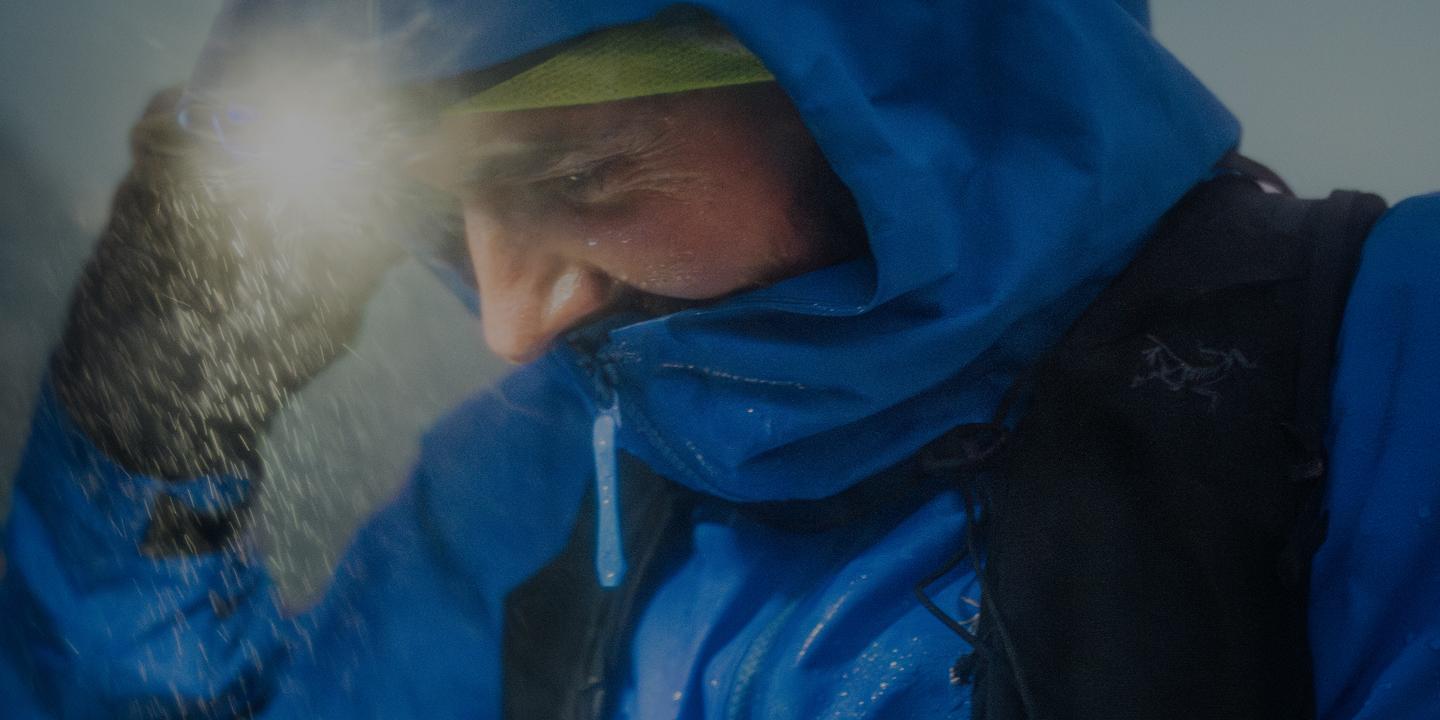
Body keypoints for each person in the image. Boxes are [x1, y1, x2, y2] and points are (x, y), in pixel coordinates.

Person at [3, 1, 1439, 718]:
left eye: (586, 175)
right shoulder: (542, 479)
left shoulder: (1380, 375)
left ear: (886, 70)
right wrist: (137, 463)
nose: (508, 321)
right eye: (433, 208)